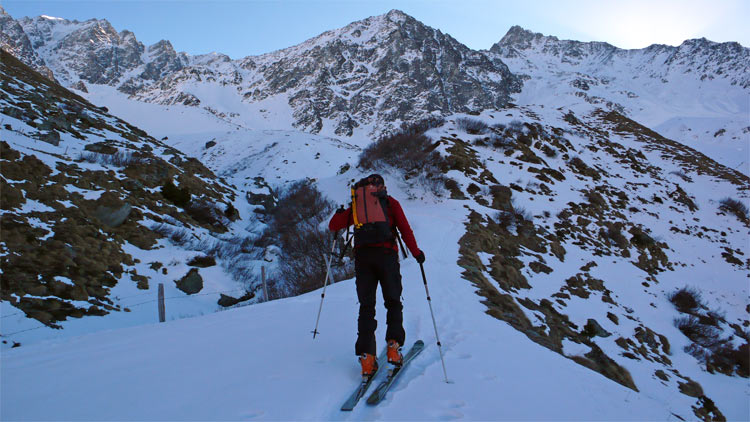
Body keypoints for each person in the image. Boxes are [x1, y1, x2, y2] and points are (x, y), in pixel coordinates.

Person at [328, 174, 424, 377]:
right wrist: (417, 253)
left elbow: (333, 225)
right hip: (387, 257)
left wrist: (340, 212)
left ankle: (367, 359)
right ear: (382, 187)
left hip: (363, 259)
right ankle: (393, 347)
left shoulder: (357, 205)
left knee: (366, 307)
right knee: (393, 301)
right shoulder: (389, 202)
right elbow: (405, 230)